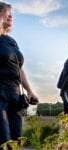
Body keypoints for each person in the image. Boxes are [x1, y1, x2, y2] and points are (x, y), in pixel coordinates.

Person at [0, 2, 38, 146]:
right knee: (3, 138)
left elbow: (19, 69)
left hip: (15, 95)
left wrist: (30, 91)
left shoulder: (11, 41)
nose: (10, 16)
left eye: (12, 14)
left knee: (16, 140)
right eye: (6, 12)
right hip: (0, 93)